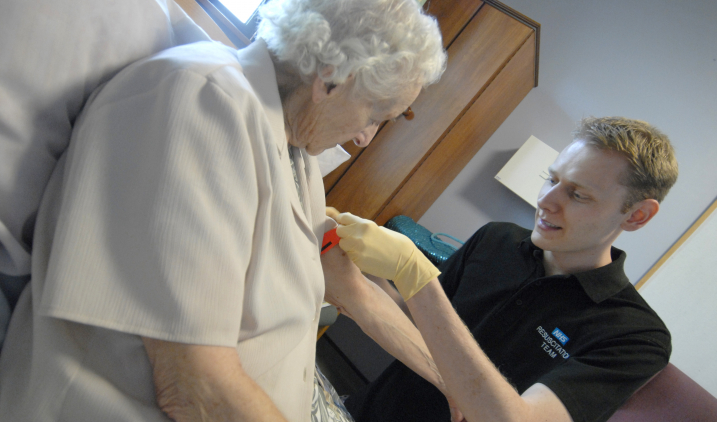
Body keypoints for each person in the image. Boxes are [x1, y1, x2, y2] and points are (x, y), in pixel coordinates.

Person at [0, 0, 447, 421]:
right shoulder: (203, 103)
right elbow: (192, 383)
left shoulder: (298, 154)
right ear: (330, 79)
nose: (365, 137)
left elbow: (336, 266)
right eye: (375, 113)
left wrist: (453, 384)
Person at [333, 116, 679, 422]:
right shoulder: (496, 239)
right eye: (551, 178)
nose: (545, 200)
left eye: (577, 195)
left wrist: (415, 274)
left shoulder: (634, 337)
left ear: (637, 215)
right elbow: (420, 326)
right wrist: (362, 273)